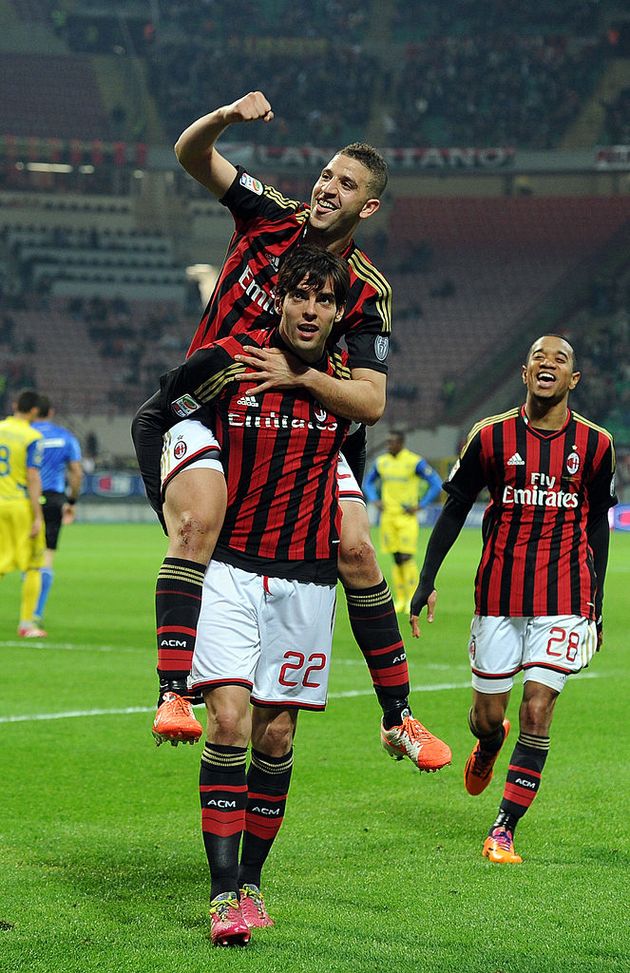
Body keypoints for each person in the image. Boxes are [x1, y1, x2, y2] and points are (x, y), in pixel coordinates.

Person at [133, 90, 451, 773]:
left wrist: (302, 379)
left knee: (360, 549)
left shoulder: (368, 287)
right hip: (216, 408)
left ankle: (398, 716)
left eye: (345, 183)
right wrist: (223, 117)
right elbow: (191, 155)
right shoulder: (268, 213)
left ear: (367, 207)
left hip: (302, 426)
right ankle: (172, 692)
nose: (326, 187)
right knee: (199, 522)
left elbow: (370, 400)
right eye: (326, 174)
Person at [145, 247, 367, 944]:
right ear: (278, 298)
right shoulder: (225, 363)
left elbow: (345, 461)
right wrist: (171, 508)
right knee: (230, 721)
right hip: (229, 571)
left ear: (336, 312)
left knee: (277, 733)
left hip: (302, 580)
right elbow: (154, 416)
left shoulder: (344, 390)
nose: (310, 309)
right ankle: (220, 894)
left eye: (323, 300)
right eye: (298, 295)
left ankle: (253, 881)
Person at [410, 335, 617, 864]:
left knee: (539, 706)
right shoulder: (490, 436)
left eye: (561, 360)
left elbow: (597, 522)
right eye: (539, 358)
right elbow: (455, 507)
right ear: (525, 373)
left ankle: (504, 827)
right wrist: (427, 578)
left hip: (565, 592)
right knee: (487, 715)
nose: (548, 364)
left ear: (574, 380)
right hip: (499, 595)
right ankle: (488, 741)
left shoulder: (596, 445)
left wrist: (596, 602)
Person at [364, 429, 442, 613]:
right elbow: (367, 482)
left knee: (406, 557)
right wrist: (374, 498)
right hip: (388, 517)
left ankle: (412, 598)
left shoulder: (414, 462)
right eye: (388, 441)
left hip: (406, 517)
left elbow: (436, 483)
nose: (389, 445)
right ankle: (400, 599)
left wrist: (421, 504)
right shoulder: (382, 462)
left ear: (401, 443)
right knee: (396, 558)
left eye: (392, 442)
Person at [32, 396, 83, 626]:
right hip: (53, 499)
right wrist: (71, 501)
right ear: (51, 412)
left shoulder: (23, 434)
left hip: (24, 498)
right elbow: (76, 472)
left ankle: (28, 610)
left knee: (22, 556)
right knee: (46, 555)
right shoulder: (65, 437)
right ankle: (35, 613)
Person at [0, 389, 46, 638]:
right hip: (18, 505)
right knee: (32, 566)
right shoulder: (31, 436)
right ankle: (27, 624)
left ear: (15, 404)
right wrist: (37, 515)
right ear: (35, 411)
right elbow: (32, 475)